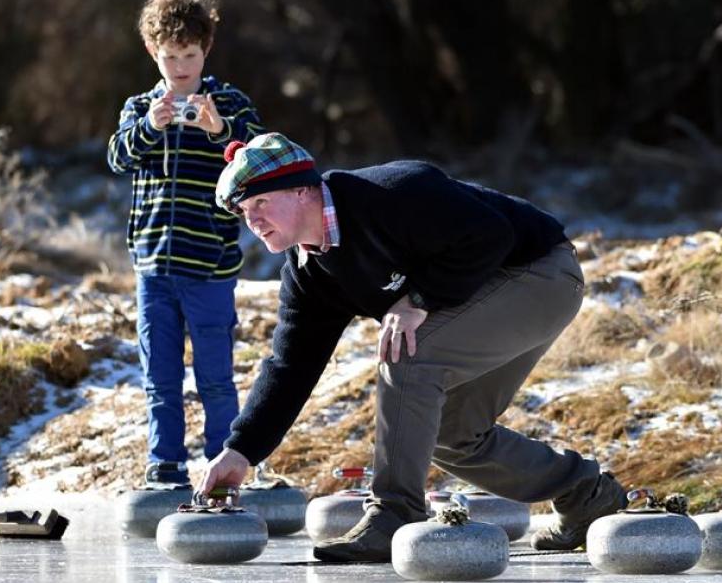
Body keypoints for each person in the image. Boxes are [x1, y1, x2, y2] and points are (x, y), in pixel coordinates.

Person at [199, 132, 627, 562]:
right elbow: (290, 365)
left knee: (409, 352)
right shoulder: (309, 271)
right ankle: (585, 493)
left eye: (260, 203)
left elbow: (489, 235)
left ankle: (394, 515)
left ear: (301, 187)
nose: (251, 220)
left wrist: (419, 299)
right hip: (485, 297)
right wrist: (242, 449)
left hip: (541, 275)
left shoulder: (391, 192)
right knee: (450, 434)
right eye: (241, 211)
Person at [107, 0, 264, 487]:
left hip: (212, 267)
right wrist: (149, 127)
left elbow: (259, 160)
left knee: (216, 378)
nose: (181, 68)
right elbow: (117, 158)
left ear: (207, 49)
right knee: (160, 376)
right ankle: (165, 463)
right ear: (153, 51)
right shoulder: (138, 107)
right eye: (171, 56)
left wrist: (221, 133)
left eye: (190, 55)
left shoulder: (232, 103)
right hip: (152, 267)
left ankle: (226, 460)